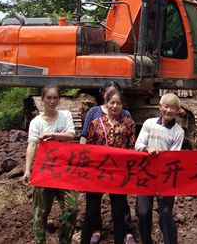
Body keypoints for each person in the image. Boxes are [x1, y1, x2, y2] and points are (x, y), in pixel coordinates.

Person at [22, 85, 78, 244]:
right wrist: (27, 170)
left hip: (63, 169)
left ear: (59, 100)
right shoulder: (36, 122)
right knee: (40, 212)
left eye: (55, 98)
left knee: (71, 208)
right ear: (42, 99)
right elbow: (32, 145)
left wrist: (52, 135)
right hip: (43, 170)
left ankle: (64, 240)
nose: (52, 101)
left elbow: (71, 135)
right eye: (48, 98)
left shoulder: (65, 115)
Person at [79, 82, 134, 244]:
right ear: (106, 102)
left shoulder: (128, 123)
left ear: (122, 105)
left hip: (118, 174)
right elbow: (87, 146)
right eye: (112, 102)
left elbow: (131, 147)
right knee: (91, 211)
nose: (115, 106)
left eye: (118, 103)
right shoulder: (96, 122)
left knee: (118, 213)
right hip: (96, 172)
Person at [134, 93, 185, 244]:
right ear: (160, 107)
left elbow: (174, 156)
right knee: (143, 211)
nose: (169, 110)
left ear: (178, 110)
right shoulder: (149, 123)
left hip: (166, 177)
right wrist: (147, 148)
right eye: (166, 106)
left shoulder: (178, 132)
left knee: (166, 213)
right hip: (145, 174)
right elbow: (138, 145)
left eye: (173, 107)